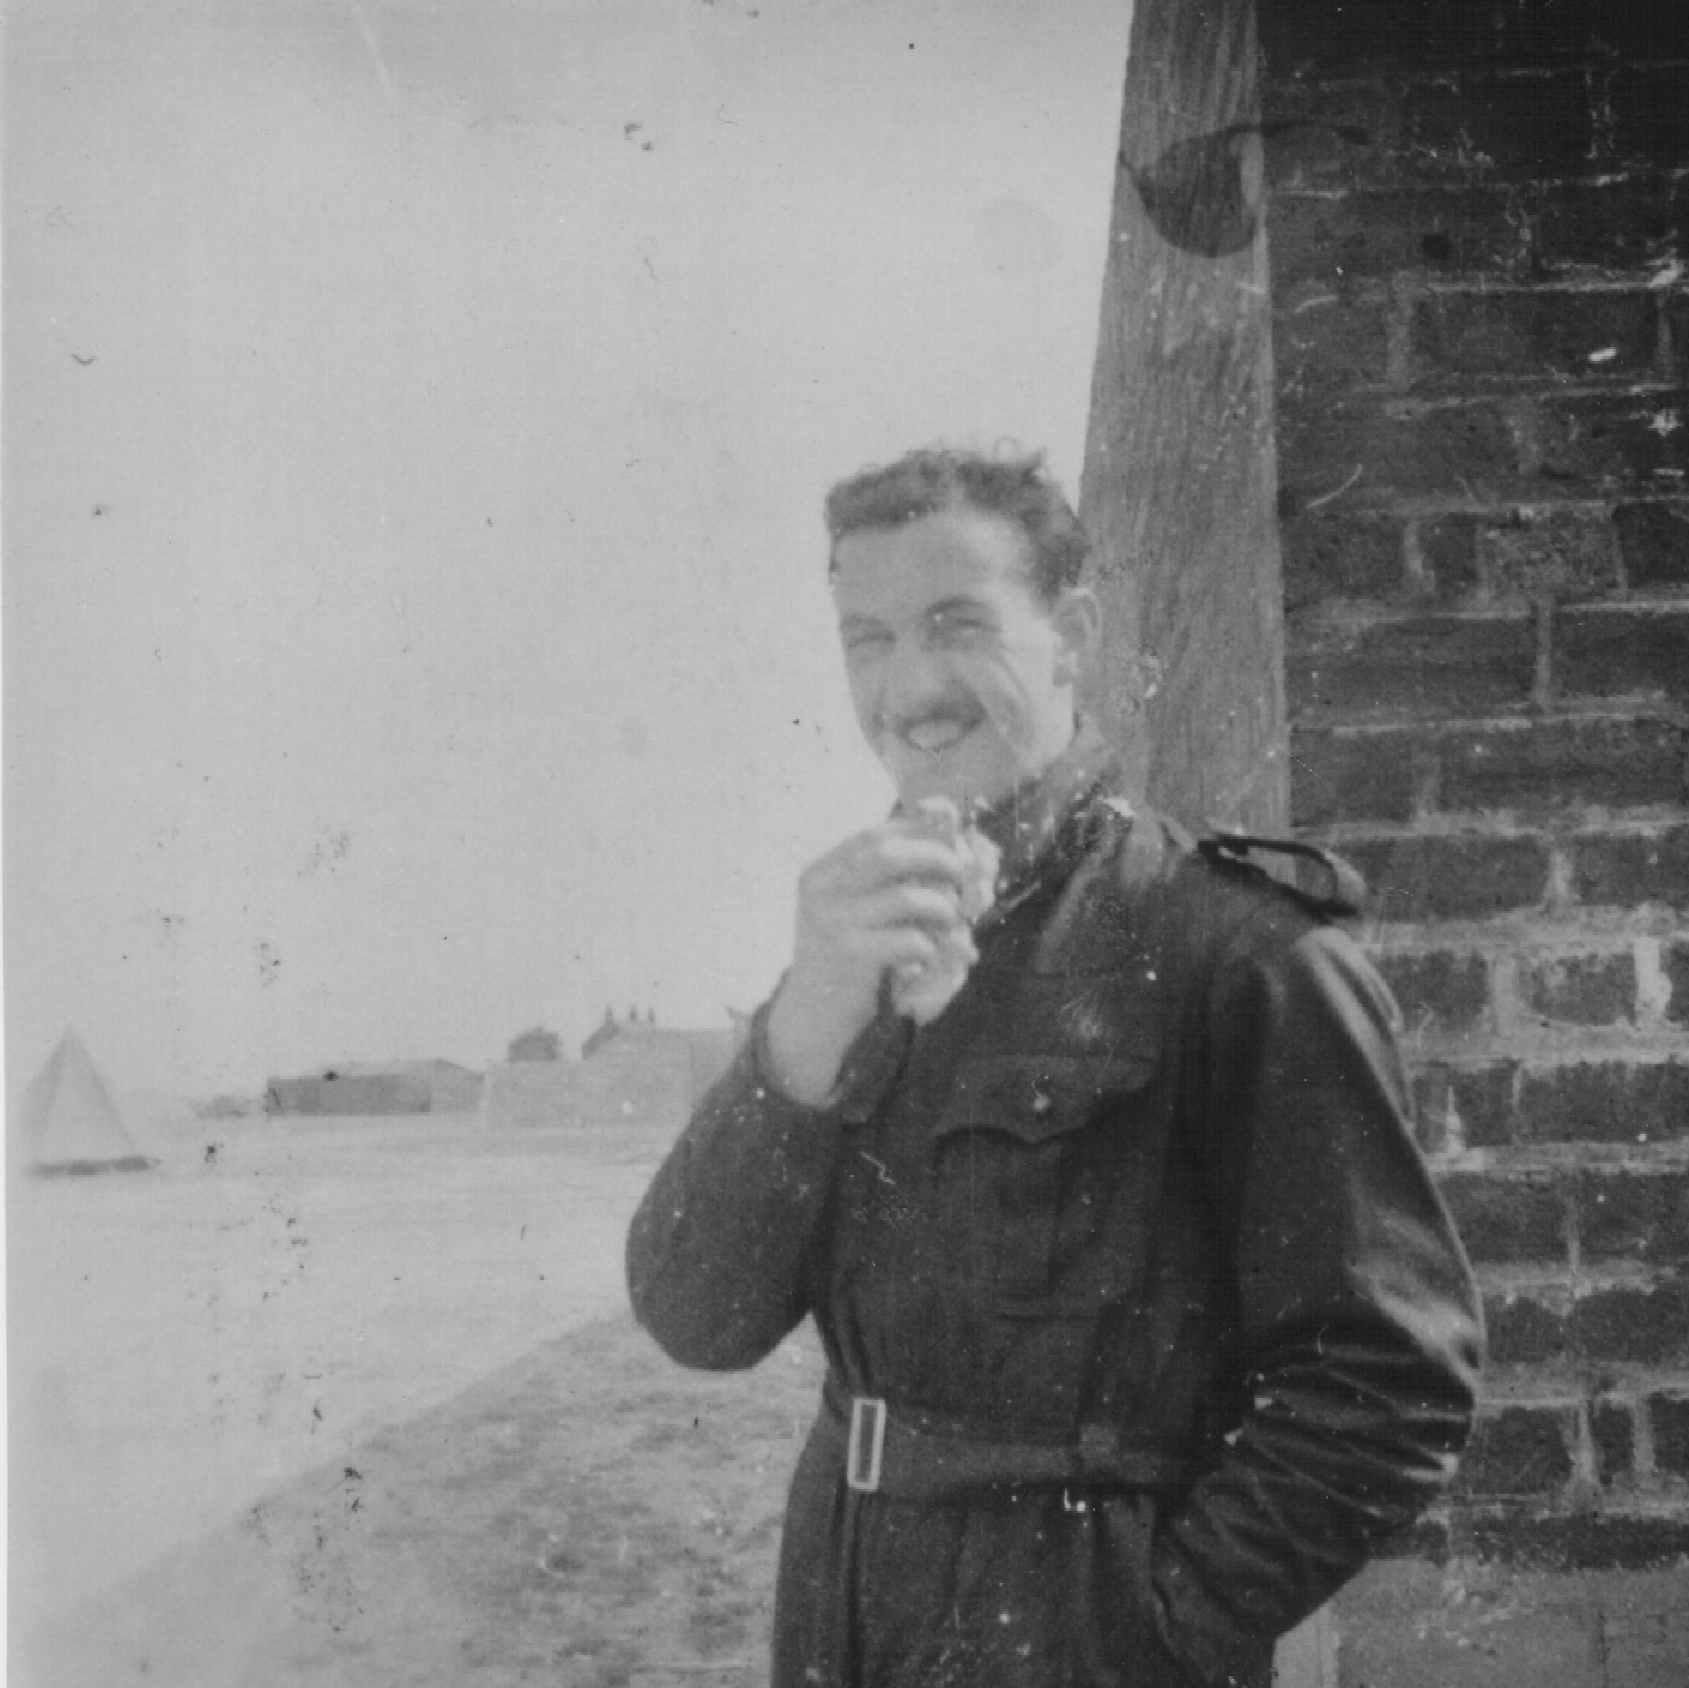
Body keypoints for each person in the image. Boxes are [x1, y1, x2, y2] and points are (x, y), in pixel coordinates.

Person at [626, 447, 1483, 1688]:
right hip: (839, 1614)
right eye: (868, 639)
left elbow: (1389, 1375)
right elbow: (694, 1315)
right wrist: (805, 1019)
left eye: (957, 625)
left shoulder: (1232, 947)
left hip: (1078, 1634)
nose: (909, 689)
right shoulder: (859, 948)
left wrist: (1154, 1627)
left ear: (1071, 638)